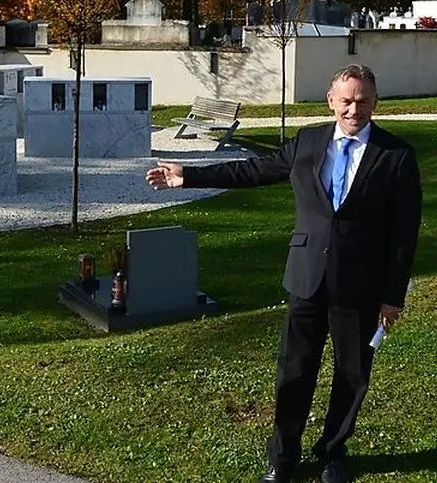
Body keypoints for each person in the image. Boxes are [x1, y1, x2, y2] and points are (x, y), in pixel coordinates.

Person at [145, 64, 422, 483]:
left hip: (360, 286)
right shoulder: (308, 143)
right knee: (295, 370)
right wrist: (189, 176)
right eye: (346, 100)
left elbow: (404, 233)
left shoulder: (396, 155)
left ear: (375, 102)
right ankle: (283, 457)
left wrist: (392, 295)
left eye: (362, 100)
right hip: (307, 277)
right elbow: (253, 171)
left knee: (352, 374)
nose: (353, 109)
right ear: (331, 101)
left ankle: (333, 453)